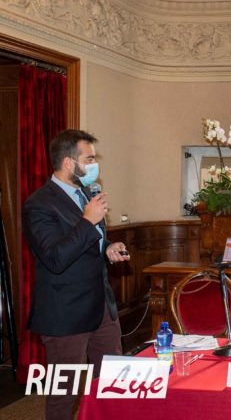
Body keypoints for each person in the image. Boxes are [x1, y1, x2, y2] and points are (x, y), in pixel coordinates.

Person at [22, 129, 130, 420]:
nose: (95, 165)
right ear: (69, 163)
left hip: (101, 308)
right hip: (65, 313)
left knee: (114, 385)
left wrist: (107, 247)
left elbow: (86, 243)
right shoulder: (38, 204)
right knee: (64, 394)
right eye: (89, 159)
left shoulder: (86, 193)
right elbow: (55, 258)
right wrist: (87, 221)